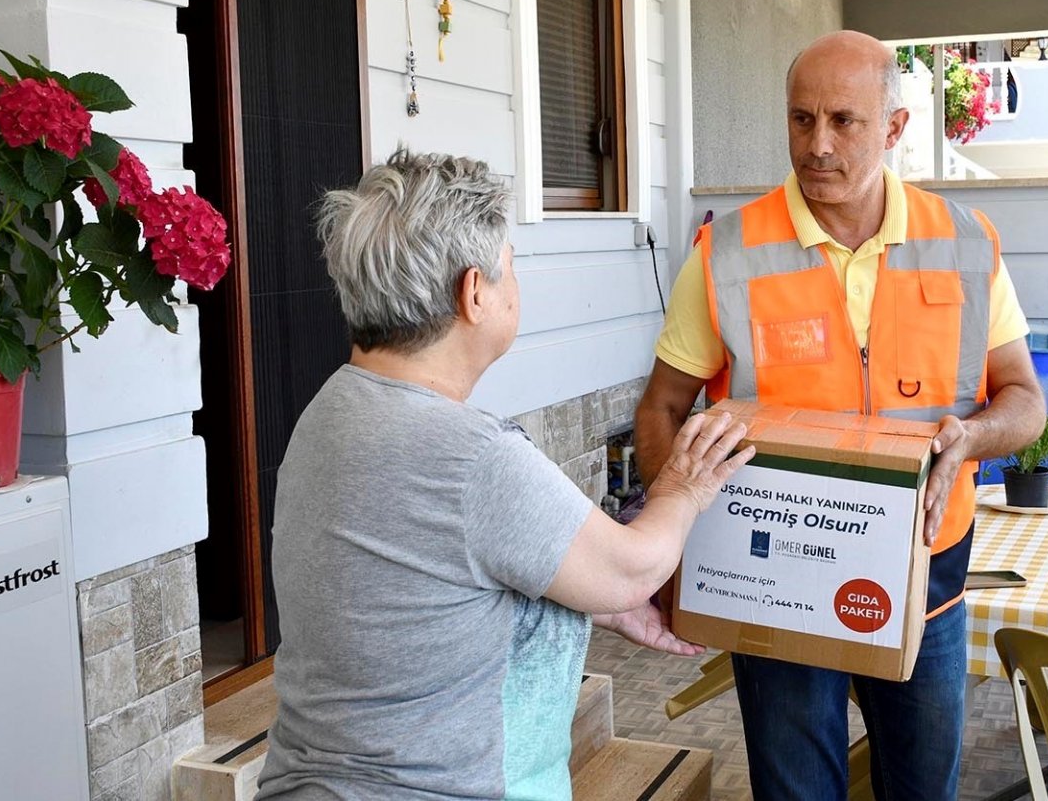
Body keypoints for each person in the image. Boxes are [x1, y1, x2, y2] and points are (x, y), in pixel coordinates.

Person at [255, 149, 756, 801]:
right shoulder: (470, 456)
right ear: (475, 292)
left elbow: (417, 589)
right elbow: (633, 564)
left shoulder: (331, 411)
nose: (515, 284)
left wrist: (598, 606)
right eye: (510, 267)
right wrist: (686, 485)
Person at [633, 31, 1046, 801]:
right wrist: (673, 545)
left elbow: (1023, 398)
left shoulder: (963, 241)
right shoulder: (726, 250)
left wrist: (973, 437)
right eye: (800, 119)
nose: (816, 144)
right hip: (775, 579)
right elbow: (661, 405)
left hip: (929, 580)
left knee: (922, 791)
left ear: (892, 129)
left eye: (844, 122)